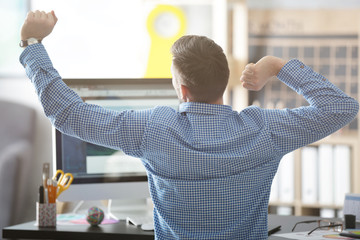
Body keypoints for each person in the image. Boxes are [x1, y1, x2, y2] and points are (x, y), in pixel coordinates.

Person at [20, 11, 358, 240]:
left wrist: (33, 44)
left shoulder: (152, 128)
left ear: (181, 89)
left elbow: (65, 112)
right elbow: (342, 107)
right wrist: (277, 66)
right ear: (224, 83)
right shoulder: (265, 129)